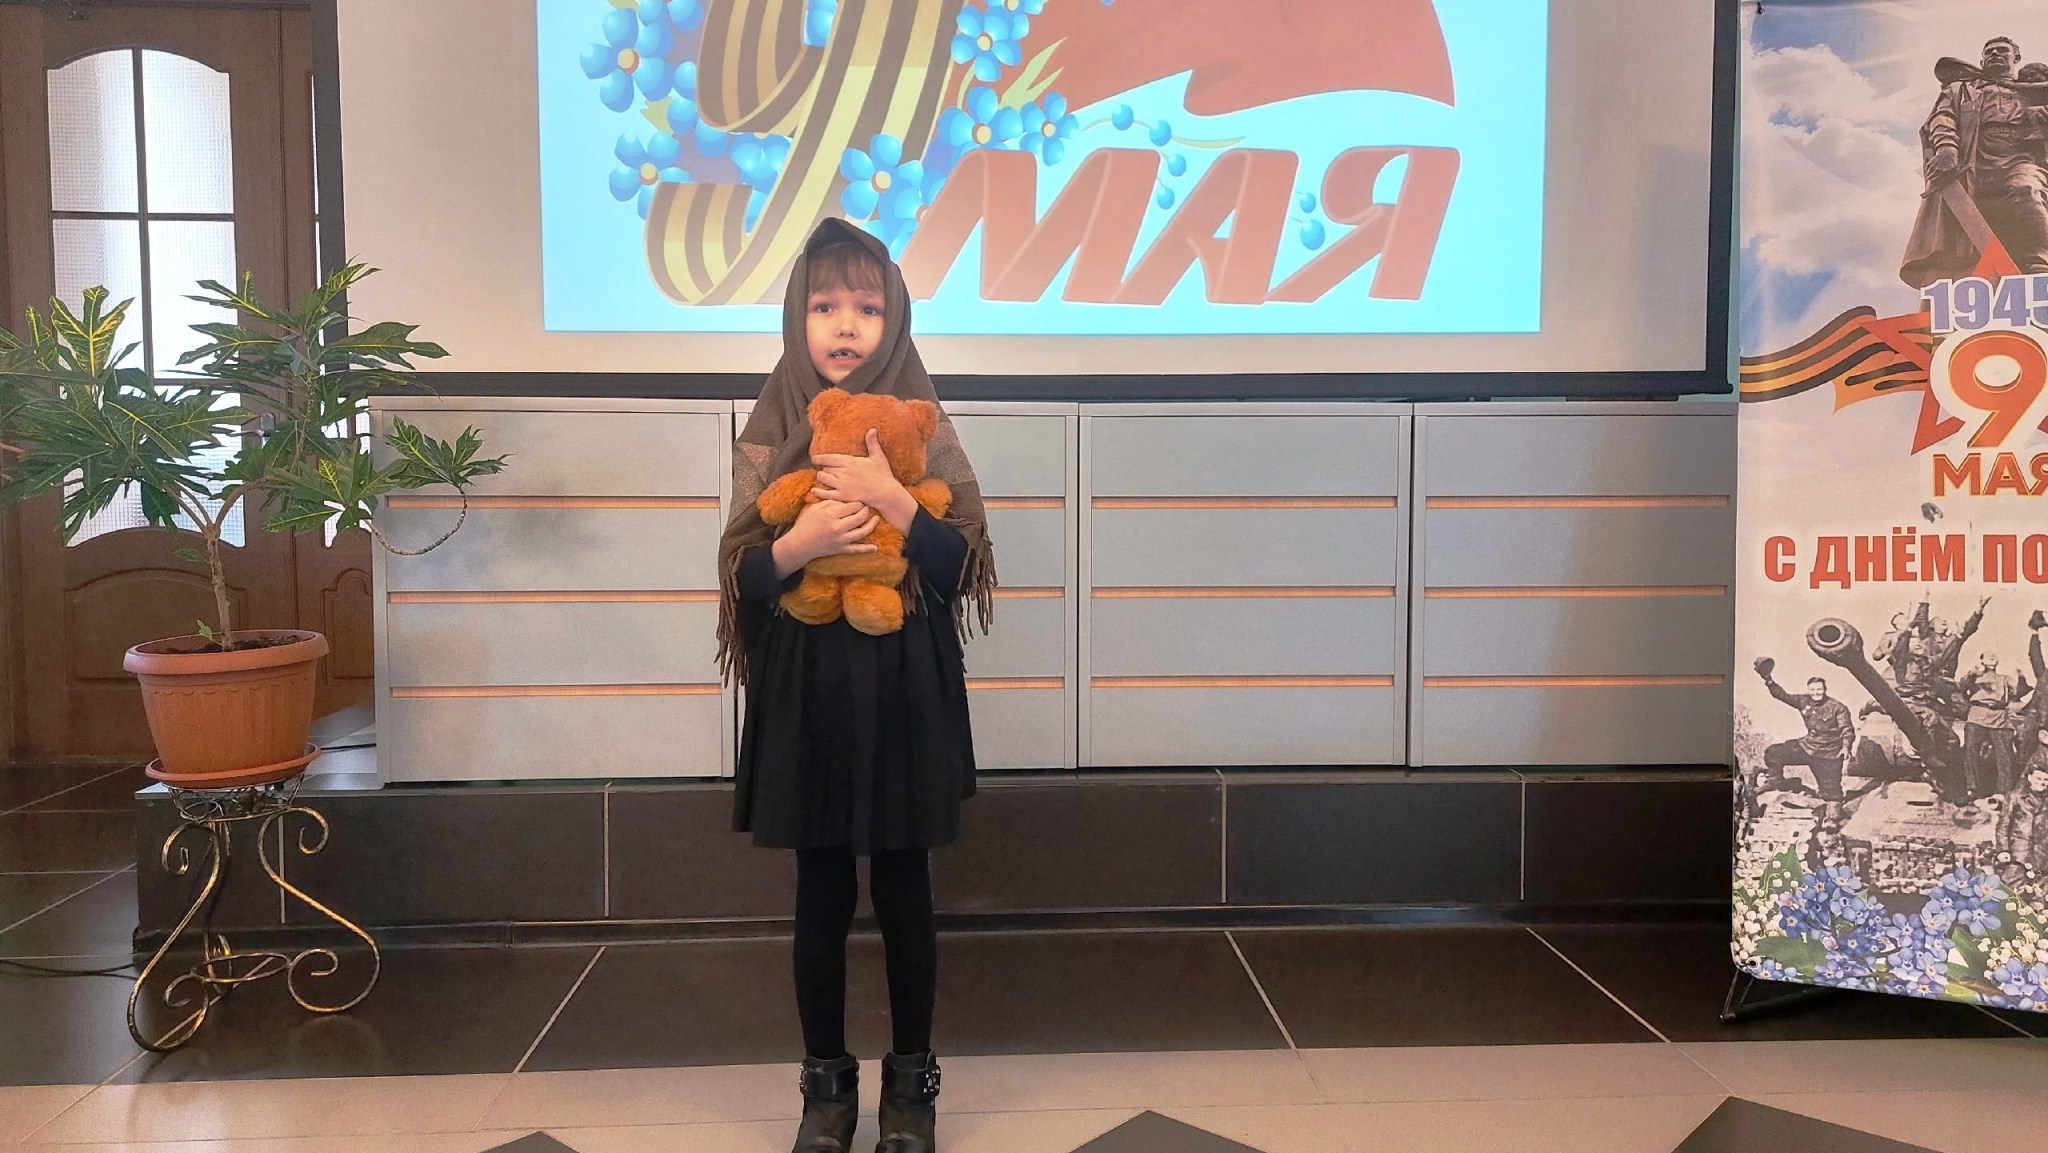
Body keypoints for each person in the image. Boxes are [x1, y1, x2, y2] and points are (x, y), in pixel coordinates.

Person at [716, 218, 996, 1153]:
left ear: (896, 320)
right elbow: (744, 574)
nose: (846, 325)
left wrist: (893, 502)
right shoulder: (772, 424)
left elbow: (960, 563)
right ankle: (825, 1093)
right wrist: (798, 545)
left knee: (906, 886)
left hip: (905, 680)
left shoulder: (921, 419)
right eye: (825, 305)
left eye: (868, 308)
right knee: (822, 890)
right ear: (796, 318)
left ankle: (912, 1091)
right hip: (809, 687)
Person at [1903, 37, 2048, 285]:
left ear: (2016, 58)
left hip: (2019, 156)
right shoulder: (1961, 89)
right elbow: (1942, 117)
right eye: (1989, 52)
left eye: (2002, 50)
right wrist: (1946, 148)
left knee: (2026, 189)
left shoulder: (2035, 91)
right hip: (1973, 159)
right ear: (1981, 61)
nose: (1995, 54)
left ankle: (2039, 266)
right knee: (1970, 216)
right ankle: (1980, 274)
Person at [1755, 661, 1854, 803]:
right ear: (1809, 690)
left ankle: (1830, 812)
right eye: (1813, 690)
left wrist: (1846, 747)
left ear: (1825, 689)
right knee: (1774, 752)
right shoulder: (1804, 701)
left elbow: (1847, 729)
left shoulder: (1838, 707)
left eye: (1819, 689)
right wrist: (1768, 679)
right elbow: (1782, 695)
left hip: (1829, 753)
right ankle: (1775, 782)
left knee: (1832, 795)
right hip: (1807, 746)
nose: (1816, 693)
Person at [1961, 653, 2030, 800]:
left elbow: (2019, 692)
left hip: (2000, 716)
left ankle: (2004, 791)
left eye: (1994, 656)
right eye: (1988, 655)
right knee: (1970, 750)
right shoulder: (1975, 677)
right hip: (1978, 714)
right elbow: (1962, 687)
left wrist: (2022, 677)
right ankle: (1972, 789)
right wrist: (1970, 675)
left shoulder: (2004, 678)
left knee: (2005, 754)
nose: (1992, 656)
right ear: (1981, 661)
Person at [1995, 736, 2048, 882]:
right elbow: (2004, 825)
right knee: (2010, 889)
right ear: (2029, 778)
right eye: (2038, 779)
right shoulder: (2015, 797)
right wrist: (2003, 849)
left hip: (2043, 855)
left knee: (2037, 891)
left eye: (2046, 780)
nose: (2042, 783)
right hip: (2018, 853)